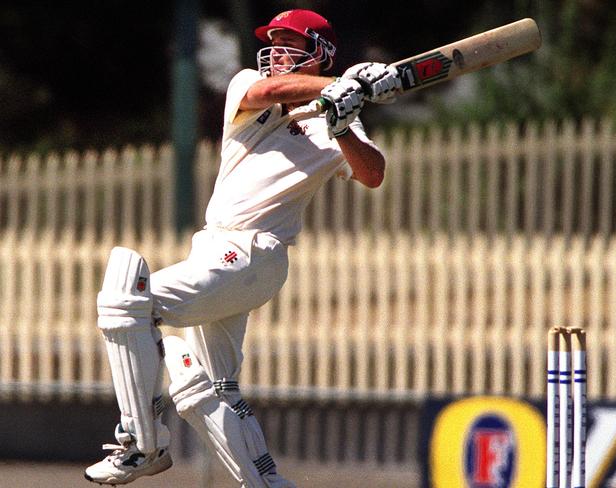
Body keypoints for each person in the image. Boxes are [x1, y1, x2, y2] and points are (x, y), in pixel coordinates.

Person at [84, 8, 401, 487]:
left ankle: (141, 443)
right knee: (210, 390)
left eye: (290, 42)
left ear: (319, 52)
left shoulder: (338, 120)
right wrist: (337, 84)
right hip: (215, 248)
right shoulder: (249, 87)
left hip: (254, 253)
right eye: (272, 40)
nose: (276, 50)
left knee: (125, 297)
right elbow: (268, 91)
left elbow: (373, 173)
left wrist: (340, 122)